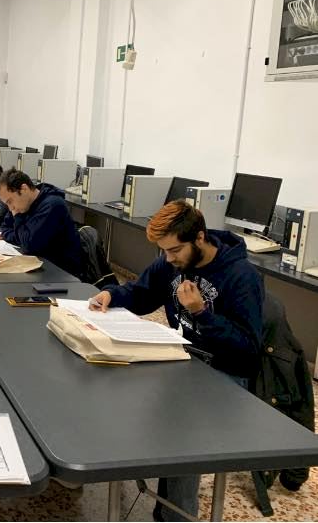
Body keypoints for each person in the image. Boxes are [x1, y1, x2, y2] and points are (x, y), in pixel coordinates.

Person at [89, 200, 265, 522]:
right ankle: (156, 494)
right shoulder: (172, 262)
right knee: (115, 385)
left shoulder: (241, 276)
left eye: (174, 250)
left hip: (225, 372)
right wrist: (113, 295)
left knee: (184, 430)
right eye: (164, 251)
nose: (169, 259)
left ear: (199, 238)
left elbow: (247, 349)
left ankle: (176, 516)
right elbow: (142, 293)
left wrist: (201, 312)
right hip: (184, 358)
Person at [0, 168, 84, 276]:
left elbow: (29, 246)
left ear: (24, 189)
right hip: (40, 265)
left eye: (10, 201)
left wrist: (18, 218)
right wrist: (21, 237)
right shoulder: (22, 204)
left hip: (61, 273)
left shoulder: (52, 205)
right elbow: (5, 229)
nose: (11, 208)